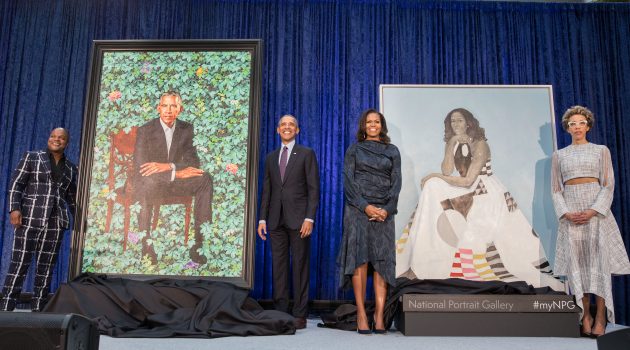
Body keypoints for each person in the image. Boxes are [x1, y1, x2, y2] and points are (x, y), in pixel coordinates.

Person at [396, 108, 563, 291]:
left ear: (468, 123)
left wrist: (434, 175)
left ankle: (455, 259)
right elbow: (447, 171)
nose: (456, 124)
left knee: (434, 182)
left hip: (484, 192)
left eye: (459, 120)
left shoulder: (480, 144)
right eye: (452, 121)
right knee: (432, 187)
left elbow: (469, 180)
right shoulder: (453, 142)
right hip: (464, 188)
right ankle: (424, 256)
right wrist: (451, 144)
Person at [551, 105, 630, 337]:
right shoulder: (560, 155)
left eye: (581, 123)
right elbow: (556, 189)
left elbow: (608, 183)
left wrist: (594, 210)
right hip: (571, 214)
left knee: (598, 264)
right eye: (572, 123)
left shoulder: (600, 150)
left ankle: (601, 316)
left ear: (588, 125)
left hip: (596, 213)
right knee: (579, 266)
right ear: (567, 127)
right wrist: (565, 212)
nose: (577, 127)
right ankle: (584, 315)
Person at [337, 109, 401, 334]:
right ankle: (362, 314)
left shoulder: (392, 151)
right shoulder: (354, 149)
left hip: (384, 212)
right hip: (358, 211)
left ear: (381, 125)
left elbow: (396, 182)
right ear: (363, 126)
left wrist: (387, 209)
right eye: (369, 122)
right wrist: (366, 207)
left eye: (376, 122)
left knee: (383, 262)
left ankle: (379, 315)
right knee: (360, 260)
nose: (372, 125)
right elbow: (348, 182)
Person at [0, 128, 77, 311]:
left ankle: (38, 310)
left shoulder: (71, 168)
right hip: (29, 218)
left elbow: (72, 198)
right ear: (48, 138)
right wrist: (14, 209)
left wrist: (81, 220)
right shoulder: (32, 157)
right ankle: (5, 308)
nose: (56, 140)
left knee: (45, 268)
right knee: (19, 264)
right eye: (53, 136)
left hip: (55, 223)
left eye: (61, 138)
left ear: (66, 143)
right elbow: (16, 184)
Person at [134, 91, 213, 264]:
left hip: (173, 182)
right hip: (151, 183)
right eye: (165, 106)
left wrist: (169, 167)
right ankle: (147, 248)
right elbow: (141, 167)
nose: (168, 110)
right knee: (147, 182)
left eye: (173, 106)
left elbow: (193, 163)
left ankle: (198, 246)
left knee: (204, 178)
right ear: (158, 108)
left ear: (180, 109)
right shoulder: (145, 130)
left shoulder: (186, 129)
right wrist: (175, 173)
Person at [257, 114, 320, 330]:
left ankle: (300, 313)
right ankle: (280, 312)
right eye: (283, 125)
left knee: (301, 267)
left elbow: (313, 189)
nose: (287, 127)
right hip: (275, 220)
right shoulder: (270, 157)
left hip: (299, 220)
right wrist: (262, 218)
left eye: (291, 124)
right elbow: (267, 190)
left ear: (297, 130)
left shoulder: (306, 154)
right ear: (277, 130)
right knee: (279, 267)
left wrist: (309, 217)